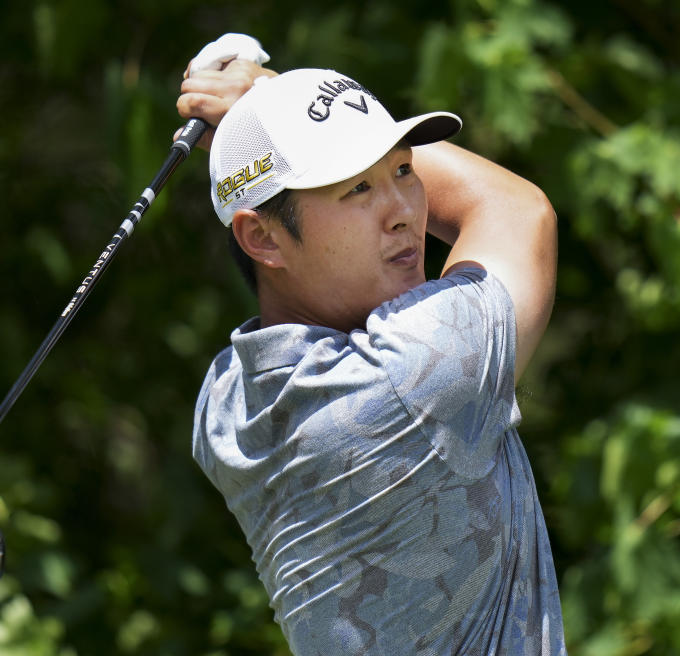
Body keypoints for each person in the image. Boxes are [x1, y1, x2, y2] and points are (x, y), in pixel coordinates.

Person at [177, 54, 562, 655]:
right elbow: (516, 210)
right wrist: (264, 93)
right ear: (262, 237)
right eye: (358, 187)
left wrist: (263, 128)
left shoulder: (225, 404)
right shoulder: (414, 376)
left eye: (404, 170)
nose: (405, 213)